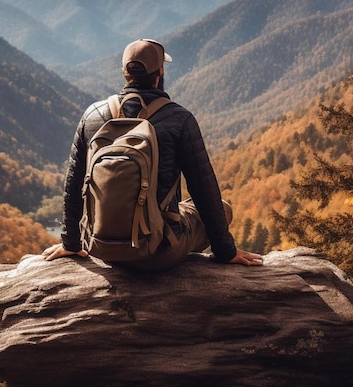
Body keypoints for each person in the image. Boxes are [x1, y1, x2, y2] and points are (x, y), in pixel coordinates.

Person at [43, 38, 263, 270]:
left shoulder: (92, 115)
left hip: (101, 247)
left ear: (125, 73)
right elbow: (204, 189)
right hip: (159, 253)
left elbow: (74, 183)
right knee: (222, 208)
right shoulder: (179, 119)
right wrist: (226, 251)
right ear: (160, 72)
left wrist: (70, 242)